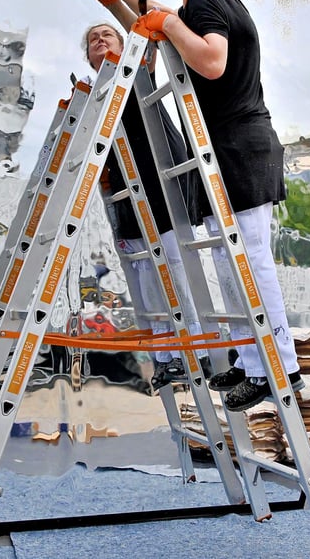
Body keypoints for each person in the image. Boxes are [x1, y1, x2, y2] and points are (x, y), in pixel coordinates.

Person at [82, 0, 303, 411]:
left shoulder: (204, 1)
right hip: (235, 146)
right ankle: (253, 363)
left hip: (239, 146)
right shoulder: (211, 0)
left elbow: (209, 58)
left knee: (248, 257)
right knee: (232, 258)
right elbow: (168, 20)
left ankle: (278, 366)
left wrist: (163, 21)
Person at [79, 21, 198, 390]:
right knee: (147, 275)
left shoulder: (136, 71)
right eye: (93, 40)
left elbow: (148, 45)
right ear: (87, 56)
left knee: (173, 265)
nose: (100, 41)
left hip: (159, 174)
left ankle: (191, 351)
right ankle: (166, 357)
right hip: (127, 189)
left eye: (107, 35)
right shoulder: (96, 94)